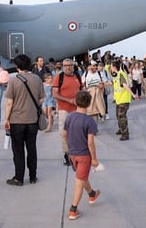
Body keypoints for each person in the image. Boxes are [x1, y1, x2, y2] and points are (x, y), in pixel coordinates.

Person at [4, 54, 45, 186]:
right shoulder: (37, 79)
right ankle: (33, 176)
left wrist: (6, 119)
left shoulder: (14, 81)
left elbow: (9, 103)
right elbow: (42, 98)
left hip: (17, 120)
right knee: (32, 148)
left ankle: (19, 177)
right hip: (32, 120)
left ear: (17, 66)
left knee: (18, 150)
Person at [63, 91, 101, 220]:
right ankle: (73, 209)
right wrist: (94, 159)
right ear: (89, 104)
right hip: (84, 155)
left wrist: (69, 149)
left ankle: (92, 194)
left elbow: (64, 134)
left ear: (75, 101)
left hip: (73, 154)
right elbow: (90, 142)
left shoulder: (69, 117)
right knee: (79, 181)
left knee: (81, 176)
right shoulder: (89, 121)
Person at [52, 58, 84, 165]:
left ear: (73, 66)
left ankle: (75, 153)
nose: (67, 67)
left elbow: (82, 90)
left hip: (77, 110)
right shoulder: (59, 77)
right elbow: (55, 94)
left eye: (69, 65)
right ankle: (67, 154)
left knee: (76, 133)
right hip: (64, 110)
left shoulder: (77, 76)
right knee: (64, 133)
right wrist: (69, 100)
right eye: (65, 65)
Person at [111, 60, 139, 141]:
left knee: (122, 117)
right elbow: (115, 84)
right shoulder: (117, 75)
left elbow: (125, 86)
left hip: (124, 99)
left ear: (114, 67)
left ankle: (125, 134)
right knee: (118, 115)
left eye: (111, 66)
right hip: (119, 99)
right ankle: (121, 129)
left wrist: (133, 94)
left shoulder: (121, 74)